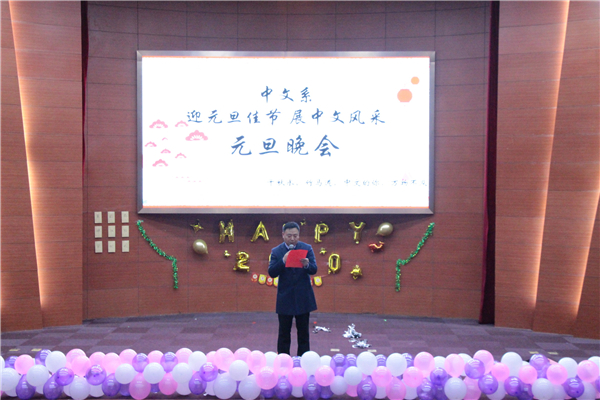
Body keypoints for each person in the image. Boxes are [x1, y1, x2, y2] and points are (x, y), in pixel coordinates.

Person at [268, 221, 318, 356]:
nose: (292, 239)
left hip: (303, 296)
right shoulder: (276, 251)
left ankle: (303, 360)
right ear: (283, 235)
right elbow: (272, 273)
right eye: (289, 236)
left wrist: (307, 265)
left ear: (299, 235)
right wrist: (283, 261)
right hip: (285, 298)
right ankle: (283, 360)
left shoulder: (306, 248)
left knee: (303, 333)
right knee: (284, 333)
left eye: (295, 236)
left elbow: (314, 269)